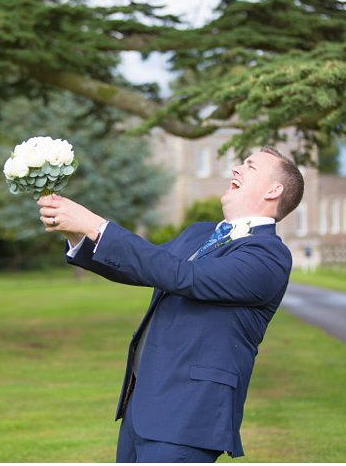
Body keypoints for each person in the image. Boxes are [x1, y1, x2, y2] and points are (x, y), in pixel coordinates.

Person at [37, 145, 304, 462]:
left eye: (251, 166)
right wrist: (79, 236)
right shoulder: (199, 233)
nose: (236, 169)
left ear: (274, 190)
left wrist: (97, 225)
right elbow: (147, 267)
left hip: (189, 415)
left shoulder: (268, 255)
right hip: (144, 405)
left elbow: (186, 277)